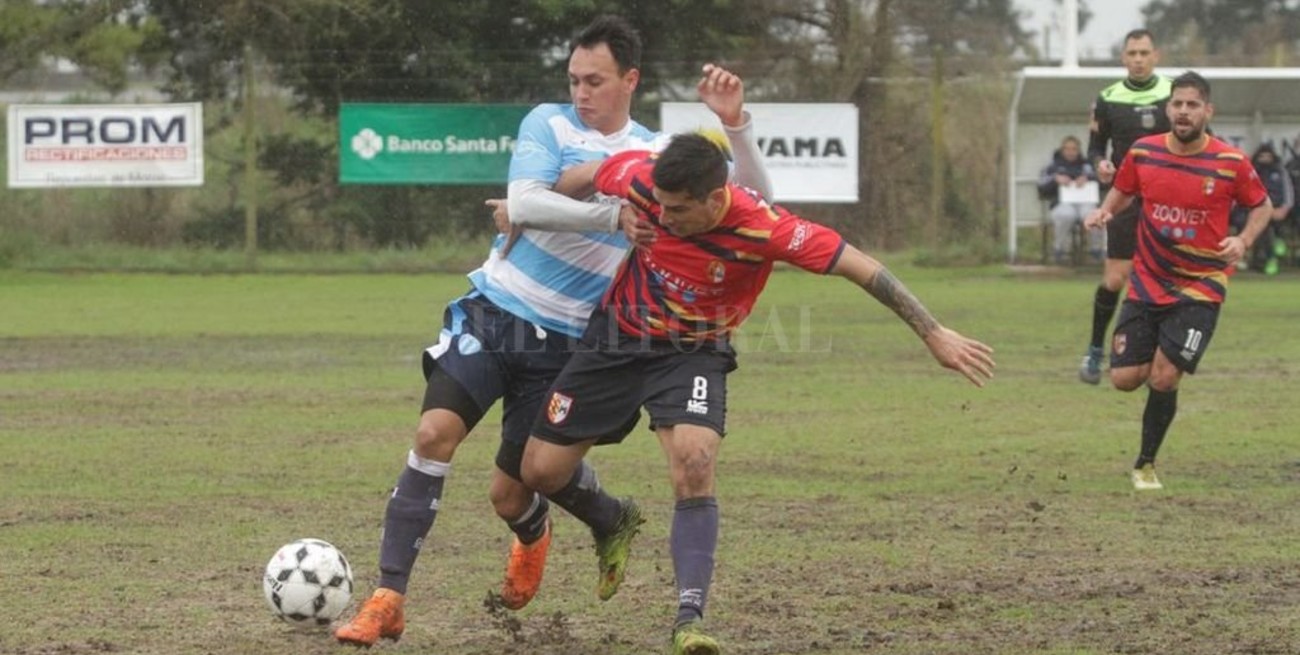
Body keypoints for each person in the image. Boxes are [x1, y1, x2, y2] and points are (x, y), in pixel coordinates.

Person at [334, 16, 771, 647]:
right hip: (497, 311)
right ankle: (388, 598)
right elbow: (527, 201)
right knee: (433, 433)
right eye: (573, 80)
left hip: (569, 342)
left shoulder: (656, 155)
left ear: (630, 80)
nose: (580, 92)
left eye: (595, 81)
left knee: (512, 494)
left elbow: (756, 207)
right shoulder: (548, 123)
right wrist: (612, 215)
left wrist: (736, 125)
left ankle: (595, 520)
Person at [517, 133, 996, 654]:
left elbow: (863, 268)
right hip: (615, 339)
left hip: (693, 352)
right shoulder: (643, 180)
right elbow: (588, 174)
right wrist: (535, 211)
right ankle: (613, 518)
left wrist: (933, 332)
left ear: (714, 197)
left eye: (678, 210)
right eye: (660, 205)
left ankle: (689, 620)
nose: (664, 217)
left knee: (695, 462)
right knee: (540, 471)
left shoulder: (765, 228)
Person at [1083, 71, 1272, 491]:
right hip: (1147, 282)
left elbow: (1262, 206)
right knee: (1124, 379)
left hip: (1201, 286)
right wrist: (1106, 211)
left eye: (1192, 105)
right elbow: (1124, 188)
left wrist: (1242, 239)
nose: (1184, 112)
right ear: (1168, 108)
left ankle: (1145, 464)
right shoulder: (1144, 152)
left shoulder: (1230, 162)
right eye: (1178, 104)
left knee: (1164, 377)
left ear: (1208, 111)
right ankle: (1159, 353)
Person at [1078, 29, 1172, 385]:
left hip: (1167, 199)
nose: (1138, 59)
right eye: (1132, 53)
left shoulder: (1174, 94)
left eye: (1144, 53)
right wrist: (1099, 164)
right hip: (1125, 198)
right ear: (1123, 57)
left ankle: (1159, 352)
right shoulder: (1107, 98)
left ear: (1156, 55)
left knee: (1164, 277)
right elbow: (1094, 148)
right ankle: (1095, 349)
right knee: (1115, 278)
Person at [1229, 143, 1293, 275]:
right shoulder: (1251, 171)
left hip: (1276, 210)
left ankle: (1273, 253)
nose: (1265, 159)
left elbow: (1288, 192)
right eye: (1262, 156)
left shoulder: (1280, 171)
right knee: (1254, 226)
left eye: (1268, 156)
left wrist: (1284, 208)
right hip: (1254, 210)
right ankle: (1254, 259)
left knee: (1272, 226)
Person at [1038, 135, 1103, 264]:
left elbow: (1103, 181)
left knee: (1094, 215)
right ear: (1062, 150)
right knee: (1067, 215)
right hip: (1061, 203)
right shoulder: (1052, 167)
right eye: (1067, 149)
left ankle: (1096, 249)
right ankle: (1060, 249)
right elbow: (1041, 186)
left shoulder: (1087, 166)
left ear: (1078, 150)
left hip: (1085, 202)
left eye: (1074, 149)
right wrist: (1055, 180)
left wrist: (1088, 178)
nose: (1070, 152)